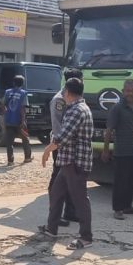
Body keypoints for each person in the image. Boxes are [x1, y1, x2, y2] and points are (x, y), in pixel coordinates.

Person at [40, 77, 94, 250]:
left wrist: (47, 150)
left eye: (64, 91)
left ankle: (86, 237)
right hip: (68, 161)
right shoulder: (79, 107)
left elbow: (63, 136)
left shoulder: (76, 110)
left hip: (74, 161)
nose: (63, 94)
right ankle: (51, 229)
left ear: (68, 93)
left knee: (79, 199)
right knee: (56, 193)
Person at [101, 79, 133, 220]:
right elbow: (109, 130)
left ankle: (128, 206)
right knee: (120, 182)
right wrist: (106, 150)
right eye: (127, 91)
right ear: (123, 91)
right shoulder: (117, 109)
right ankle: (118, 209)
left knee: (132, 180)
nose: (130, 93)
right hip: (122, 152)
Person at [49, 68, 83, 226]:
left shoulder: (75, 99)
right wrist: (58, 145)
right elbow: (57, 127)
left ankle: (70, 212)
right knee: (57, 180)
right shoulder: (59, 100)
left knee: (72, 180)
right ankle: (55, 214)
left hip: (72, 146)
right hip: (60, 146)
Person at [0, 75, 32, 165]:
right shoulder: (23, 93)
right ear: (22, 84)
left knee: (9, 142)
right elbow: (22, 108)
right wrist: (23, 121)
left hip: (9, 120)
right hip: (18, 121)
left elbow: (2, 104)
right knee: (25, 139)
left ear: (13, 83)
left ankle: (10, 161)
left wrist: (5, 112)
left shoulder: (7, 92)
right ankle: (27, 158)